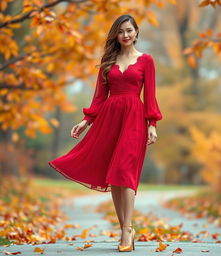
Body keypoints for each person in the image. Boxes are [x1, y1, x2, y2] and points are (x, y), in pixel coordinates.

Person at [48, 14, 162, 252]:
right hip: (109, 120)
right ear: (116, 35)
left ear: (137, 32)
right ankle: (124, 229)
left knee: (125, 171)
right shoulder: (108, 60)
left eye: (129, 30)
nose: (126, 35)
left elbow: (150, 96)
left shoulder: (146, 61)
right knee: (114, 176)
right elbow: (99, 97)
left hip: (134, 119)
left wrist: (152, 124)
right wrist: (85, 121)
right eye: (121, 32)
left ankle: (127, 230)